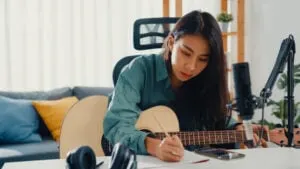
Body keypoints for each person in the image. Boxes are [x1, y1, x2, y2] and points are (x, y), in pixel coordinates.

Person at [103, 10, 266, 162]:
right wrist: (154, 146)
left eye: (202, 59)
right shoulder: (139, 69)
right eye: (186, 53)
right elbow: (117, 125)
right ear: (172, 42)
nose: (191, 66)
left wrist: (237, 129)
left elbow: (219, 118)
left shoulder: (205, 80)